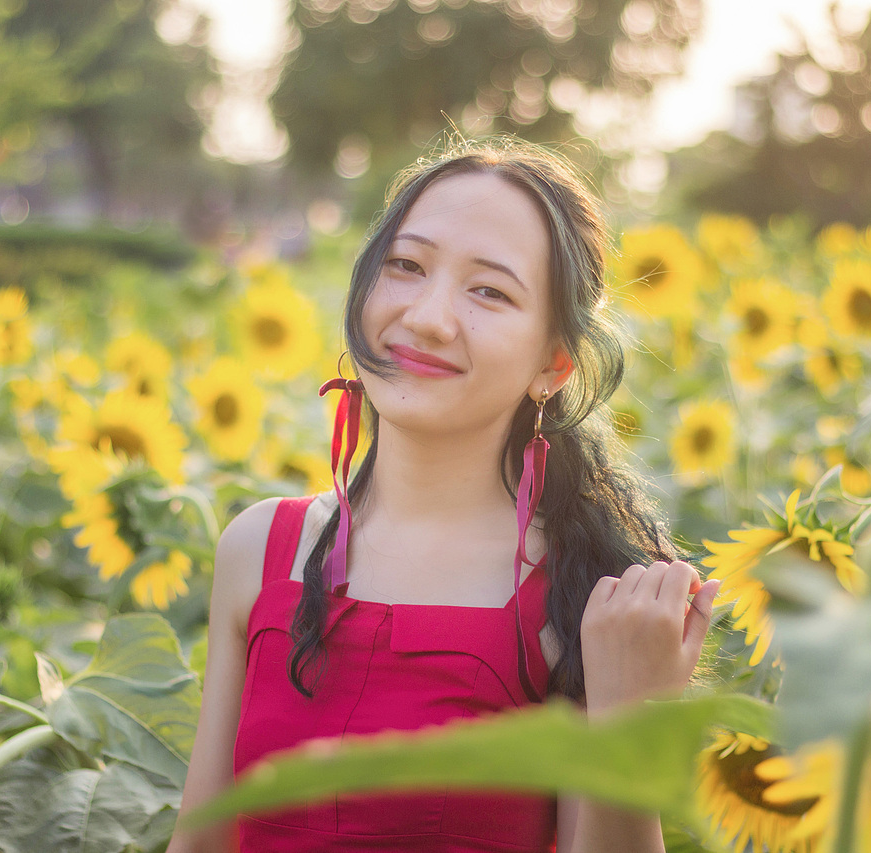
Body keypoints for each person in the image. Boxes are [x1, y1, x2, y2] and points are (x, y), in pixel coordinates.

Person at [166, 138, 721, 853]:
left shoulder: (591, 600)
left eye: (488, 290)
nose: (427, 316)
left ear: (553, 363)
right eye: (406, 265)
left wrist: (630, 718)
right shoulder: (259, 550)